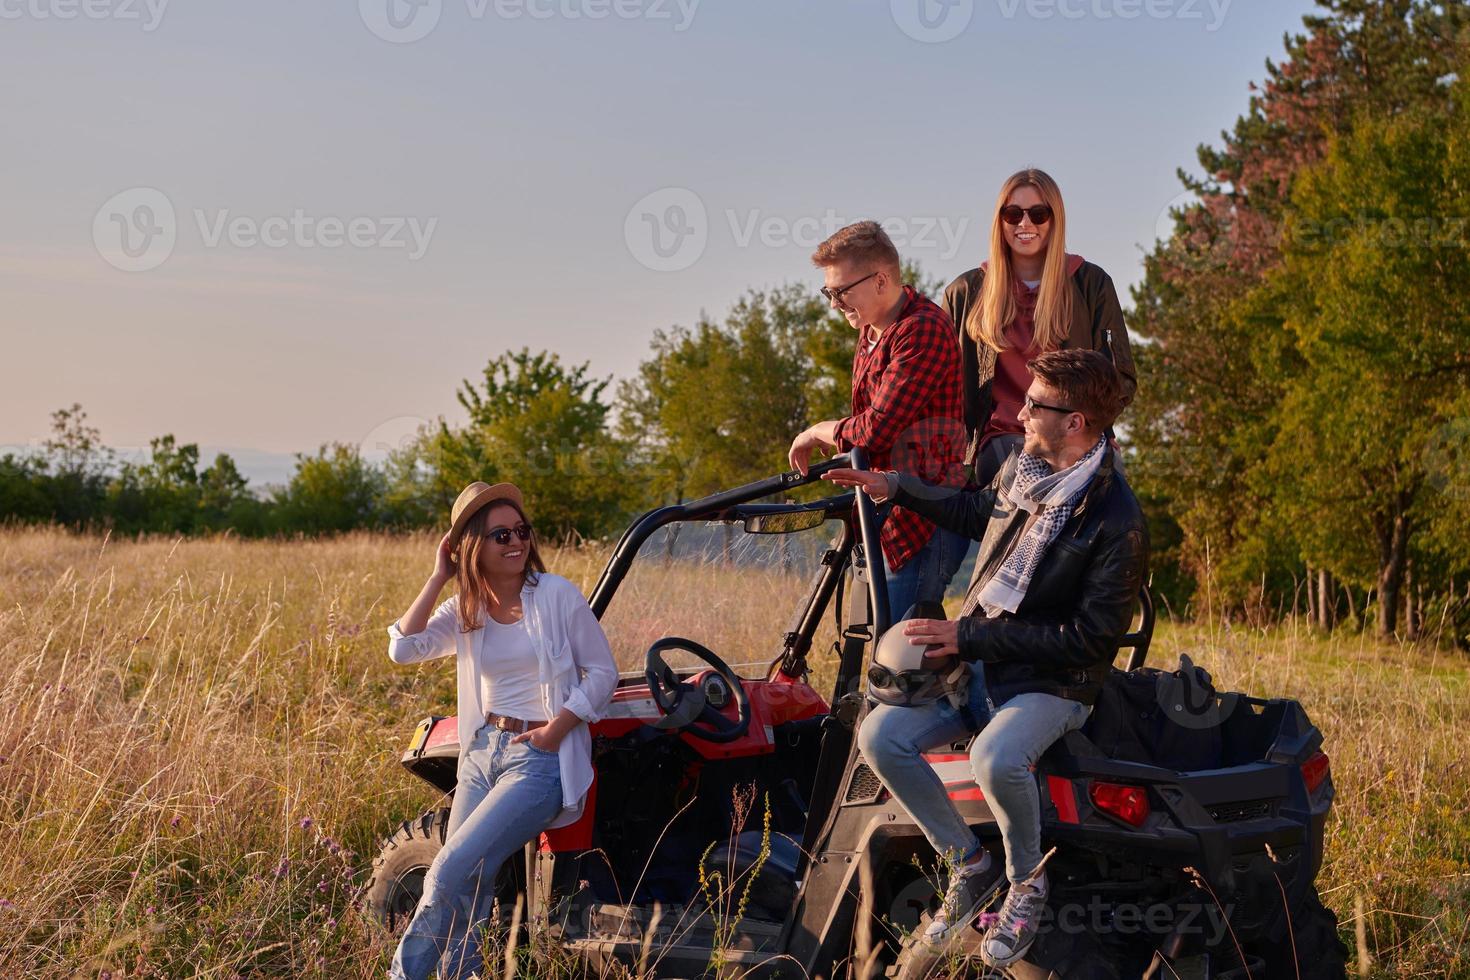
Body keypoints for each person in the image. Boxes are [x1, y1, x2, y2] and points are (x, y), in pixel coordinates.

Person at [825, 349, 1148, 968]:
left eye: (1037, 404)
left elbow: (1089, 641)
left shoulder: (1117, 520)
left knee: (994, 757)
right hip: (983, 664)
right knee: (880, 735)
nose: (1021, 411)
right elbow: (978, 512)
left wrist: (967, 639)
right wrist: (896, 487)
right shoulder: (1025, 469)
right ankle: (969, 866)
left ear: (1076, 422)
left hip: (1054, 685)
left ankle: (1027, 883)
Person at [386, 481, 618, 980]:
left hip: (538, 759)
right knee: (470, 881)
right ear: (471, 546)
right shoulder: (466, 609)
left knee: (448, 870)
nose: (516, 542)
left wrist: (555, 731)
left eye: (521, 530)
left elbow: (603, 673)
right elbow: (403, 649)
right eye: (500, 535)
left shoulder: (554, 595)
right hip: (481, 751)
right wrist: (437, 577)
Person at [788, 220, 968, 620]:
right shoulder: (871, 326)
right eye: (828, 292)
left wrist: (819, 430)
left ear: (881, 280)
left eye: (840, 291)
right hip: (883, 514)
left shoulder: (922, 330)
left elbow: (876, 428)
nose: (834, 303)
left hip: (922, 519)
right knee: (873, 644)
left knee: (900, 659)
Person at [945, 169, 1137, 488]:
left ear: (1054, 219)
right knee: (1019, 472)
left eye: (1038, 214)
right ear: (999, 220)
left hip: (1076, 436)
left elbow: (1121, 376)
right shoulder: (965, 292)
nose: (1025, 224)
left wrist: (1093, 427)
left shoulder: (1091, 284)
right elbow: (943, 387)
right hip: (1000, 438)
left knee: (1111, 480)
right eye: (1013, 214)